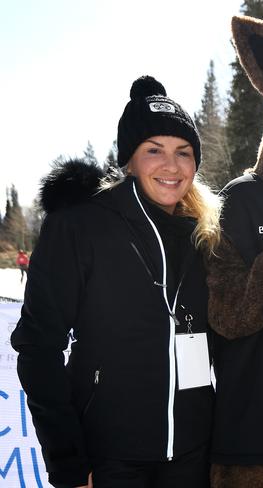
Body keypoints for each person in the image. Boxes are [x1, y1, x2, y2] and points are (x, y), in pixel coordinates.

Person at [11, 75, 221, 488]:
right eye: (153, 150)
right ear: (129, 159)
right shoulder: (80, 226)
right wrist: (67, 457)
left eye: (184, 152)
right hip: (109, 458)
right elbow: (38, 347)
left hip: (193, 456)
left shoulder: (205, 233)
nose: (171, 165)